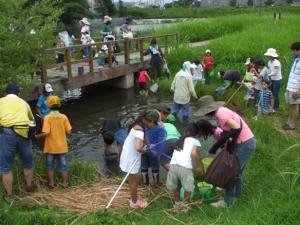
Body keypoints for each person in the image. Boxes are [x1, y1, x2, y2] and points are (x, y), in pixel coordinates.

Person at [194, 95, 256, 208]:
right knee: (237, 172)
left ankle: (227, 202)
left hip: (244, 144)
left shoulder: (221, 114)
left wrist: (222, 144)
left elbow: (236, 128)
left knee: (230, 173)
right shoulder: (222, 111)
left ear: (208, 110)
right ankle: (237, 195)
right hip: (246, 142)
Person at [0, 84, 35, 197]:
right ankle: (29, 187)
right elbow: (31, 120)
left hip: (6, 133)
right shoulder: (24, 103)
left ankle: (9, 194)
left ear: (5, 93)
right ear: (18, 93)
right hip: (24, 132)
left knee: (6, 165)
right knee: (27, 162)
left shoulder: (1, 101)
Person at [35, 96, 72, 189]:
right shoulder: (64, 117)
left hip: (50, 147)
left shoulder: (47, 118)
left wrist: (36, 136)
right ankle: (65, 184)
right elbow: (69, 131)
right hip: (62, 147)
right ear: (59, 105)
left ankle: (52, 184)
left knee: (50, 166)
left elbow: (46, 132)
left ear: (48, 106)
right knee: (63, 165)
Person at [166, 123, 204, 212]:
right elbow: (194, 153)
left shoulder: (180, 140)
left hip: (173, 166)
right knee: (188, 187)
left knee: (175, 185)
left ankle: (177, 203)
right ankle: (185, 205)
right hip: (185, 167)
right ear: (196, 133)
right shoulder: (194, 141)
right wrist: (199, 166)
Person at [119, 115, 148, 208]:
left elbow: (143, 139)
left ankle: (134, 197)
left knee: (134, 179)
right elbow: (138, 147)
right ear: (147, 121)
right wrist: (145, 151)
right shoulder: (140, 132)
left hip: (128, 156)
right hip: (131, 160)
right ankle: (134, 202)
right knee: (134, 181)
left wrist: (149, 144)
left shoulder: (136, 126)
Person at [142, 110, 166, 186]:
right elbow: (140, 138)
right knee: (143, 166)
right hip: (143, 151)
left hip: (153, 153)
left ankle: (156, 183)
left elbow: (162, 142)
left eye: (147, 122)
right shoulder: (144, 128)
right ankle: (145, 183)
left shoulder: (160, 130)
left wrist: (156, 149)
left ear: (152, 121)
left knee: (155, 167)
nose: (145, 123)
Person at [282, 42, 300, 131]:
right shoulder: (296, 60)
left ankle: (292, 125)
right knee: (290, 104)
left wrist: (299, 90)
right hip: (290, 86)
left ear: (298, 50)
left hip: (295, 88)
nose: (293, 52)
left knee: (295, 106)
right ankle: (289, 122)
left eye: (294, 51)